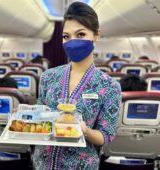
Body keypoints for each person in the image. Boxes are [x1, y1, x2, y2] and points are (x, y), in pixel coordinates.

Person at [32, 2, 121, 170]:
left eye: (80, 34)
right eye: (66, 36)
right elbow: (40, 114)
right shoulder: (48, 77)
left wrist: (86, 131)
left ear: (96, 35)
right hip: (42, 163)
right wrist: (26, 114)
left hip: (81, 165)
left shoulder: (109, 86)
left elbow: (106, 135)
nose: (72, 42)